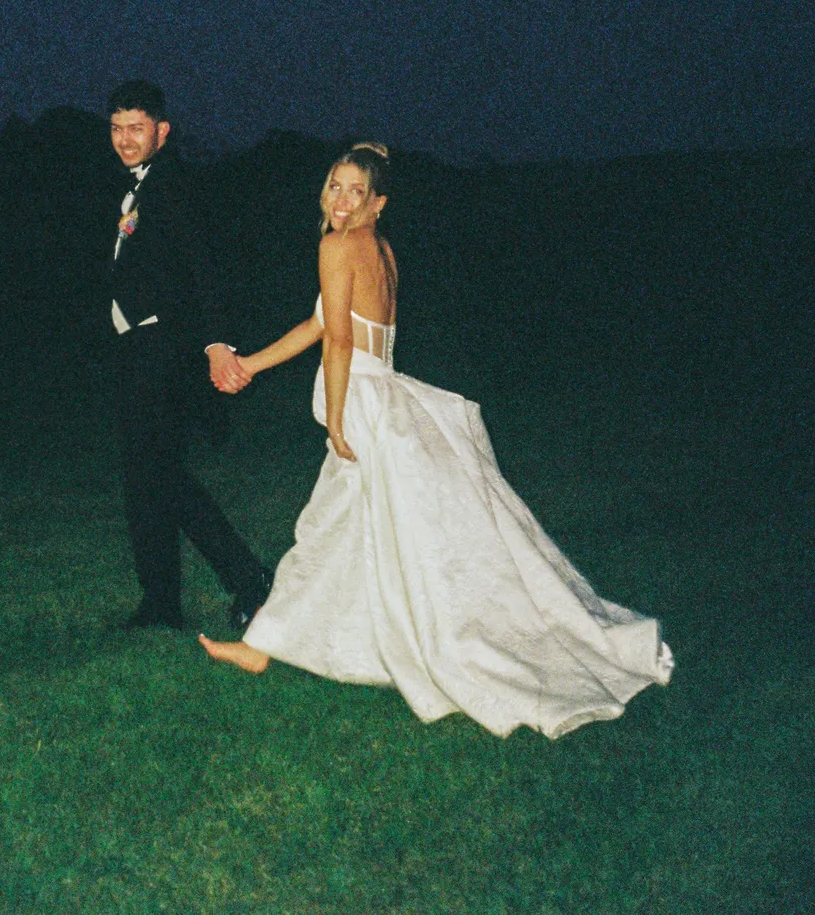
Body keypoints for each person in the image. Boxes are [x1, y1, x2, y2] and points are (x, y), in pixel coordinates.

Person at [199, 143, 673, 738]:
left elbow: (339, 342)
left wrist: (338, 420)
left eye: (356, 191)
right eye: (335, 186)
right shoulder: (378, 249)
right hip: (384, 394)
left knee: (335, 530)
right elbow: (321, 323)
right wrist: (249, 364)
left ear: (378, 203)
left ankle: (272, 645)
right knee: (340, 531)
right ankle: (266, 644)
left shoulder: (337, 246)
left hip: (365, 404)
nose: (341, 200)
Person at [104, 80, 272, 630]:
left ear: (162, 131)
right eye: (117, 128)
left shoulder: (178, 185)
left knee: (159, 476)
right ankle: (160, 602)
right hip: (134, 350)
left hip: (165, 351)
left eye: (136, 128)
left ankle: (248, 577)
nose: (125, 140)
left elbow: (206, 269)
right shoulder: (133, 187)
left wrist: (217, 344)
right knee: (144, 478)